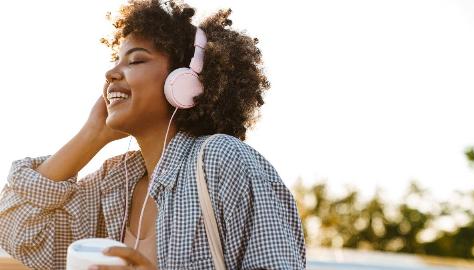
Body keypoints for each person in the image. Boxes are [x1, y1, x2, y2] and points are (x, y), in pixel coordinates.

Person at [0, 0, 306, 269]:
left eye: (135, 60)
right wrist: (91, 135)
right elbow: (17, 227)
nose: (111, 73)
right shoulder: (113, 181)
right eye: (115, 61)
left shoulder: (221, 160)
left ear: (185, 83)